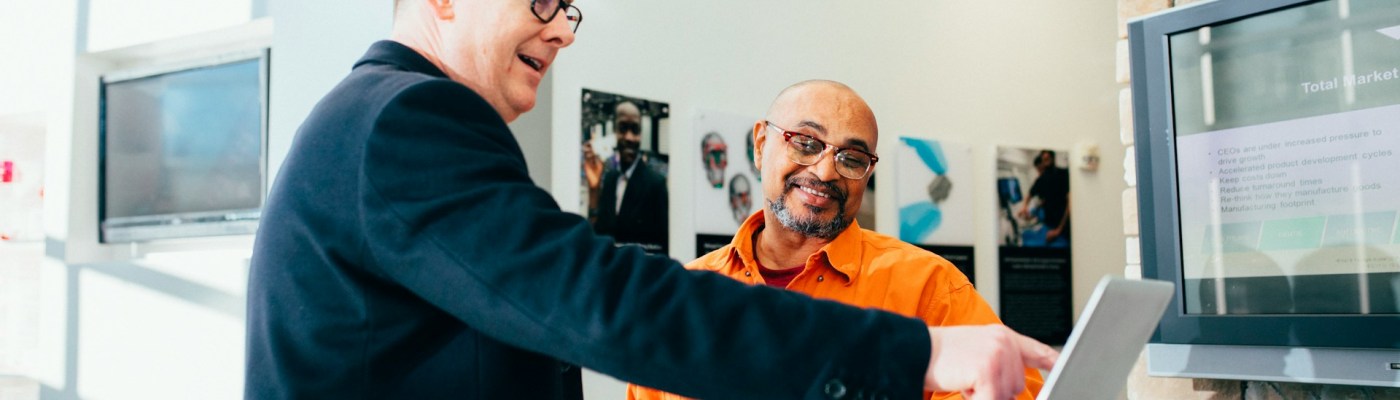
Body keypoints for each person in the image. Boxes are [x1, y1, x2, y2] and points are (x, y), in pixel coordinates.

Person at [244, 0, 1056, 399]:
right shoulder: (406, 118)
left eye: (571, 10)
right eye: (543, 0)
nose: (562, 29)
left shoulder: (380, 118)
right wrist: (913, 351)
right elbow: (598, 299)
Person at [626, 80, 1045, 400]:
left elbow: (1015, 390)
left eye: (852, 158)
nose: (826, 172)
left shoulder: (929, 288)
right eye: (806, 143)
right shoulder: (688, 296)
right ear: (760, 145)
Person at [589, 101, 669, 253]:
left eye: (635, 130)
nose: (629, 137)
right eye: (623, 128)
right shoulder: (610, 179)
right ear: (614, 131)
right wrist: (594, 190)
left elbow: (662, 248)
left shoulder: (655, 184)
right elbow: (599, 234)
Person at [1017, 150, 1070, 245]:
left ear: (1053, 159)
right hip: (1049, 225)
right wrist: (1024, 207)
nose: (1039, 171)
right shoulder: (1041, 180)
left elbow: (1070, 204)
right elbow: (1030, 194)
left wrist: (1058, 230)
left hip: (1063, 228)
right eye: (1043, 159)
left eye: (1047, 159)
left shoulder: (1063, 174)